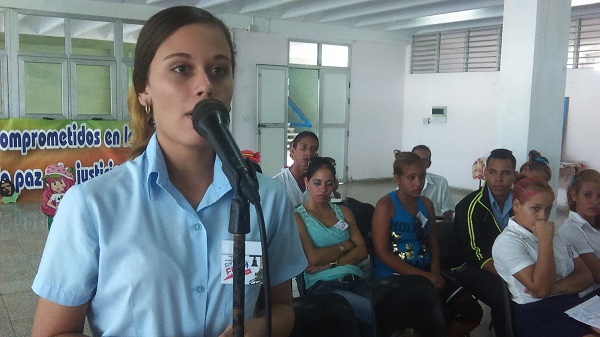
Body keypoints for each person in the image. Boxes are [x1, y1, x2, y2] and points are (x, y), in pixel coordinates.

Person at [31, 6, 306, 337]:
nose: (205, 85)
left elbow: (282, 308)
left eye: (219, 70)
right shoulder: (91, 206)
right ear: (144, 89)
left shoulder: (266, 199)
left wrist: (257, 329)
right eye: (181, 68)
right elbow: (53, 332)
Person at [372, 151, 482, 337]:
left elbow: (433, 242)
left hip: (427, 272)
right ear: (397, 178)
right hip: (395, 276)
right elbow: (382, 253)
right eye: (411, 178)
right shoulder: (386, 205)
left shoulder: (426, 204)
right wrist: (425, 276)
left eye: (421, 177)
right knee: (433, 312)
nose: (418, 183)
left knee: (472, 311)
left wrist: (435, 271)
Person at [492, 175, 596, 337]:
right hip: (537, 313)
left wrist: (553, 288)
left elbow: (586, 277)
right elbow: (540, 289)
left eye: (548, 209)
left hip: (572, 302)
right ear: (517, 205)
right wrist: (545, 241)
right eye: (536, 208)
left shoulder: (552, 232)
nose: (543, 216)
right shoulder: (507, 243)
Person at [294, 156, 372, 336]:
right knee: (375, 313)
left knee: (372, 317)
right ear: (306, 182)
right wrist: (346, 245)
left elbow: (362, 251)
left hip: (355, 279)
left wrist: (330, 264)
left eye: (329, 184)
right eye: (317, 183)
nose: (323, 189)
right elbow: (312, 258)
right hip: (324, 286)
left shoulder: (343, 211)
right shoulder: (298, 217)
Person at [451, 148, 516, 337]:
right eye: (493, 172)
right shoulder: (469, 207)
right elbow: (477, 253)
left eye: (505, 173)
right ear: (485, 173)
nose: (498, 179)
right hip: (470, 266)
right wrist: (513, 277)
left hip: (508, 263)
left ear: (514, 175)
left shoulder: (521, 203)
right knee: (503, 295)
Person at [559, 169, 600, 297]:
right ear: (574, 195)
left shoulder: (595, 226)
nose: (595, 201)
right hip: (588, 297)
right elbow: (597, 275)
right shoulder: (570, 230)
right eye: (588, 195)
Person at [273, 131, 319, 207]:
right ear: (292, 151)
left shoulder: (320, 183)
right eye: (303, 147)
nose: (309, 153)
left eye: (313, 149)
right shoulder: (278, 183)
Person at [412, 145, 455, 222]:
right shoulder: (404, 184)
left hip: (436, 224)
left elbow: (448, 211)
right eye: (417, 159)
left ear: (429, 164)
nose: (420, 163)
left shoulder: (441, 182)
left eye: (424, 160)